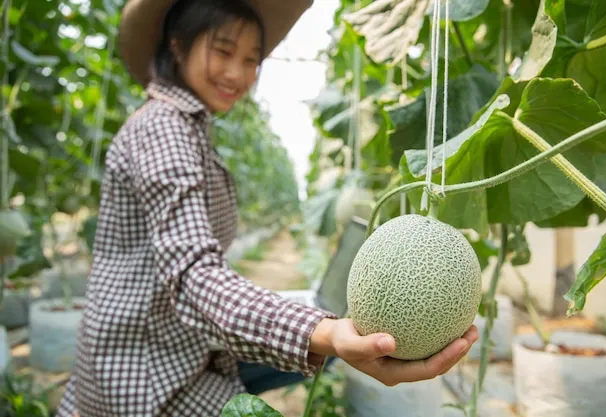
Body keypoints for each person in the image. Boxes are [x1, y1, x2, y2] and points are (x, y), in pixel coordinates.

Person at [55, 0, 479, 415]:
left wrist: (323, 333)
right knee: (320, 341)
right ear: (177, 44)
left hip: (180, 342)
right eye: (223, 51)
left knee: (318, 345)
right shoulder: (163, 128)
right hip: (146, 370)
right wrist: (324, 331)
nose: (237, 73)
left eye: (251, 59)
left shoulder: (186, 128)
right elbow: (192, 278)